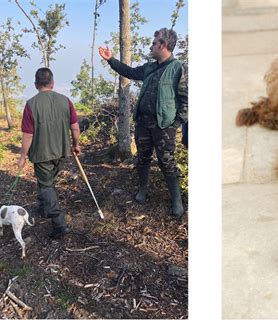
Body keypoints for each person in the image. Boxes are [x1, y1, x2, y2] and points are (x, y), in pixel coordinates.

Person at [99, 27, 188, 217]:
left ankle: (176, 199)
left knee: (167, 161)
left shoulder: (177, 68)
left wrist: (176, 122)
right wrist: (110, 60)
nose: (151, 46)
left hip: (164, 125)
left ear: (163, 45)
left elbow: (185, 98)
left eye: (154, 43)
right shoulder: (150, 67)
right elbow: (129, 72)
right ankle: (143, 189)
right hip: (143, 123)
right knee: (143, 157)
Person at [18, 67, 80, 238]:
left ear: (36, 84)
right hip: (61, 151)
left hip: (42, 153)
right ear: (52, 83)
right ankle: (44, 207)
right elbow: (75, 127)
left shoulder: (31, 104)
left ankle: (59, 223)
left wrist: (22, 156)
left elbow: (28, 135)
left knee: (46, 186)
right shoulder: (65, 101)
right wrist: (76, 145)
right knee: (48, 182)